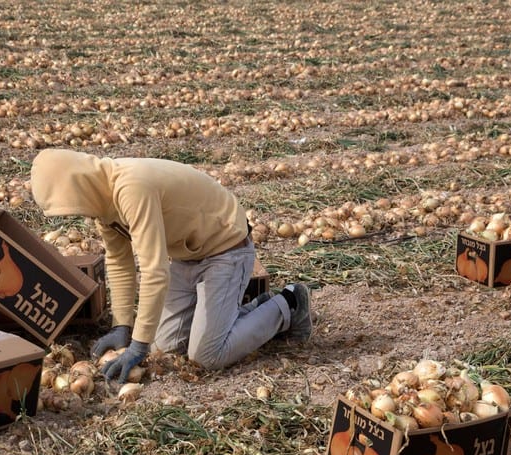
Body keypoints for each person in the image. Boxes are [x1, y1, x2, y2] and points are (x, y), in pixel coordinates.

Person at [28, 149, 312, 382]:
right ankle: (247, 312)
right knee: (164, 348)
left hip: (225, 247)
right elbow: (119, 262)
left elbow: (154, 271)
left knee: (207, 356)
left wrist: (137, 344)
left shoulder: (130, 187)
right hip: (188, 256)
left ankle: (288, 304)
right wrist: (122, 326)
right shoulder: (102, 205)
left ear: (80, 185)